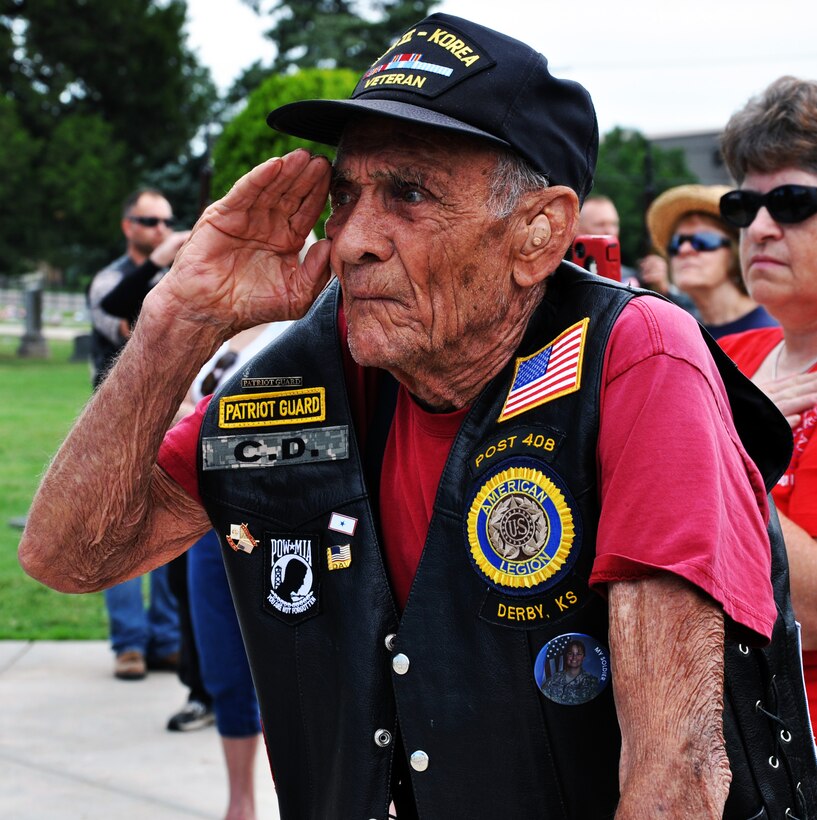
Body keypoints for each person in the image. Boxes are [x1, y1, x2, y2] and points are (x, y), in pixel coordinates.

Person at [18, 14, 816, 819]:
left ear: (537, 234)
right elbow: (69, 557)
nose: (352, 240)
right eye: (345, 195)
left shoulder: (634, 353)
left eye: (409, 193)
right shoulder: (311, 366)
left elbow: (674, 779)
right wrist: (175, 321)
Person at [716, 75, 817, 722]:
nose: (756, 228)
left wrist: (720, 447)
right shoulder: (723, 363)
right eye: (739, 206)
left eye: (788, 202)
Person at [87, 187, 189, 680]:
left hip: (167, 420)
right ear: (129, 225)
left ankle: (166, 640)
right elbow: (134, 331)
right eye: (150, 221)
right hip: (116, 428)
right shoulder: (110, 281)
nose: (161, 229)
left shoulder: (174, 276)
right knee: (114, 532)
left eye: (168, 221)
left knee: (165, 528)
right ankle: (130, 644)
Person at [646, 184, 777, 339]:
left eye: (702, 241)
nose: (684, 250)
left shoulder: (771, 331)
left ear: (735, 251)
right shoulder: (681, 335)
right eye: (676, 242)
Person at [540, 638, 600, 705]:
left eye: (578, 654)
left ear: (583, 657)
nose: (574, 657)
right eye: (570, 653)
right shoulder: (553, 679)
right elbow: (543, 700)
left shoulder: (591, 682)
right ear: (566, 656)